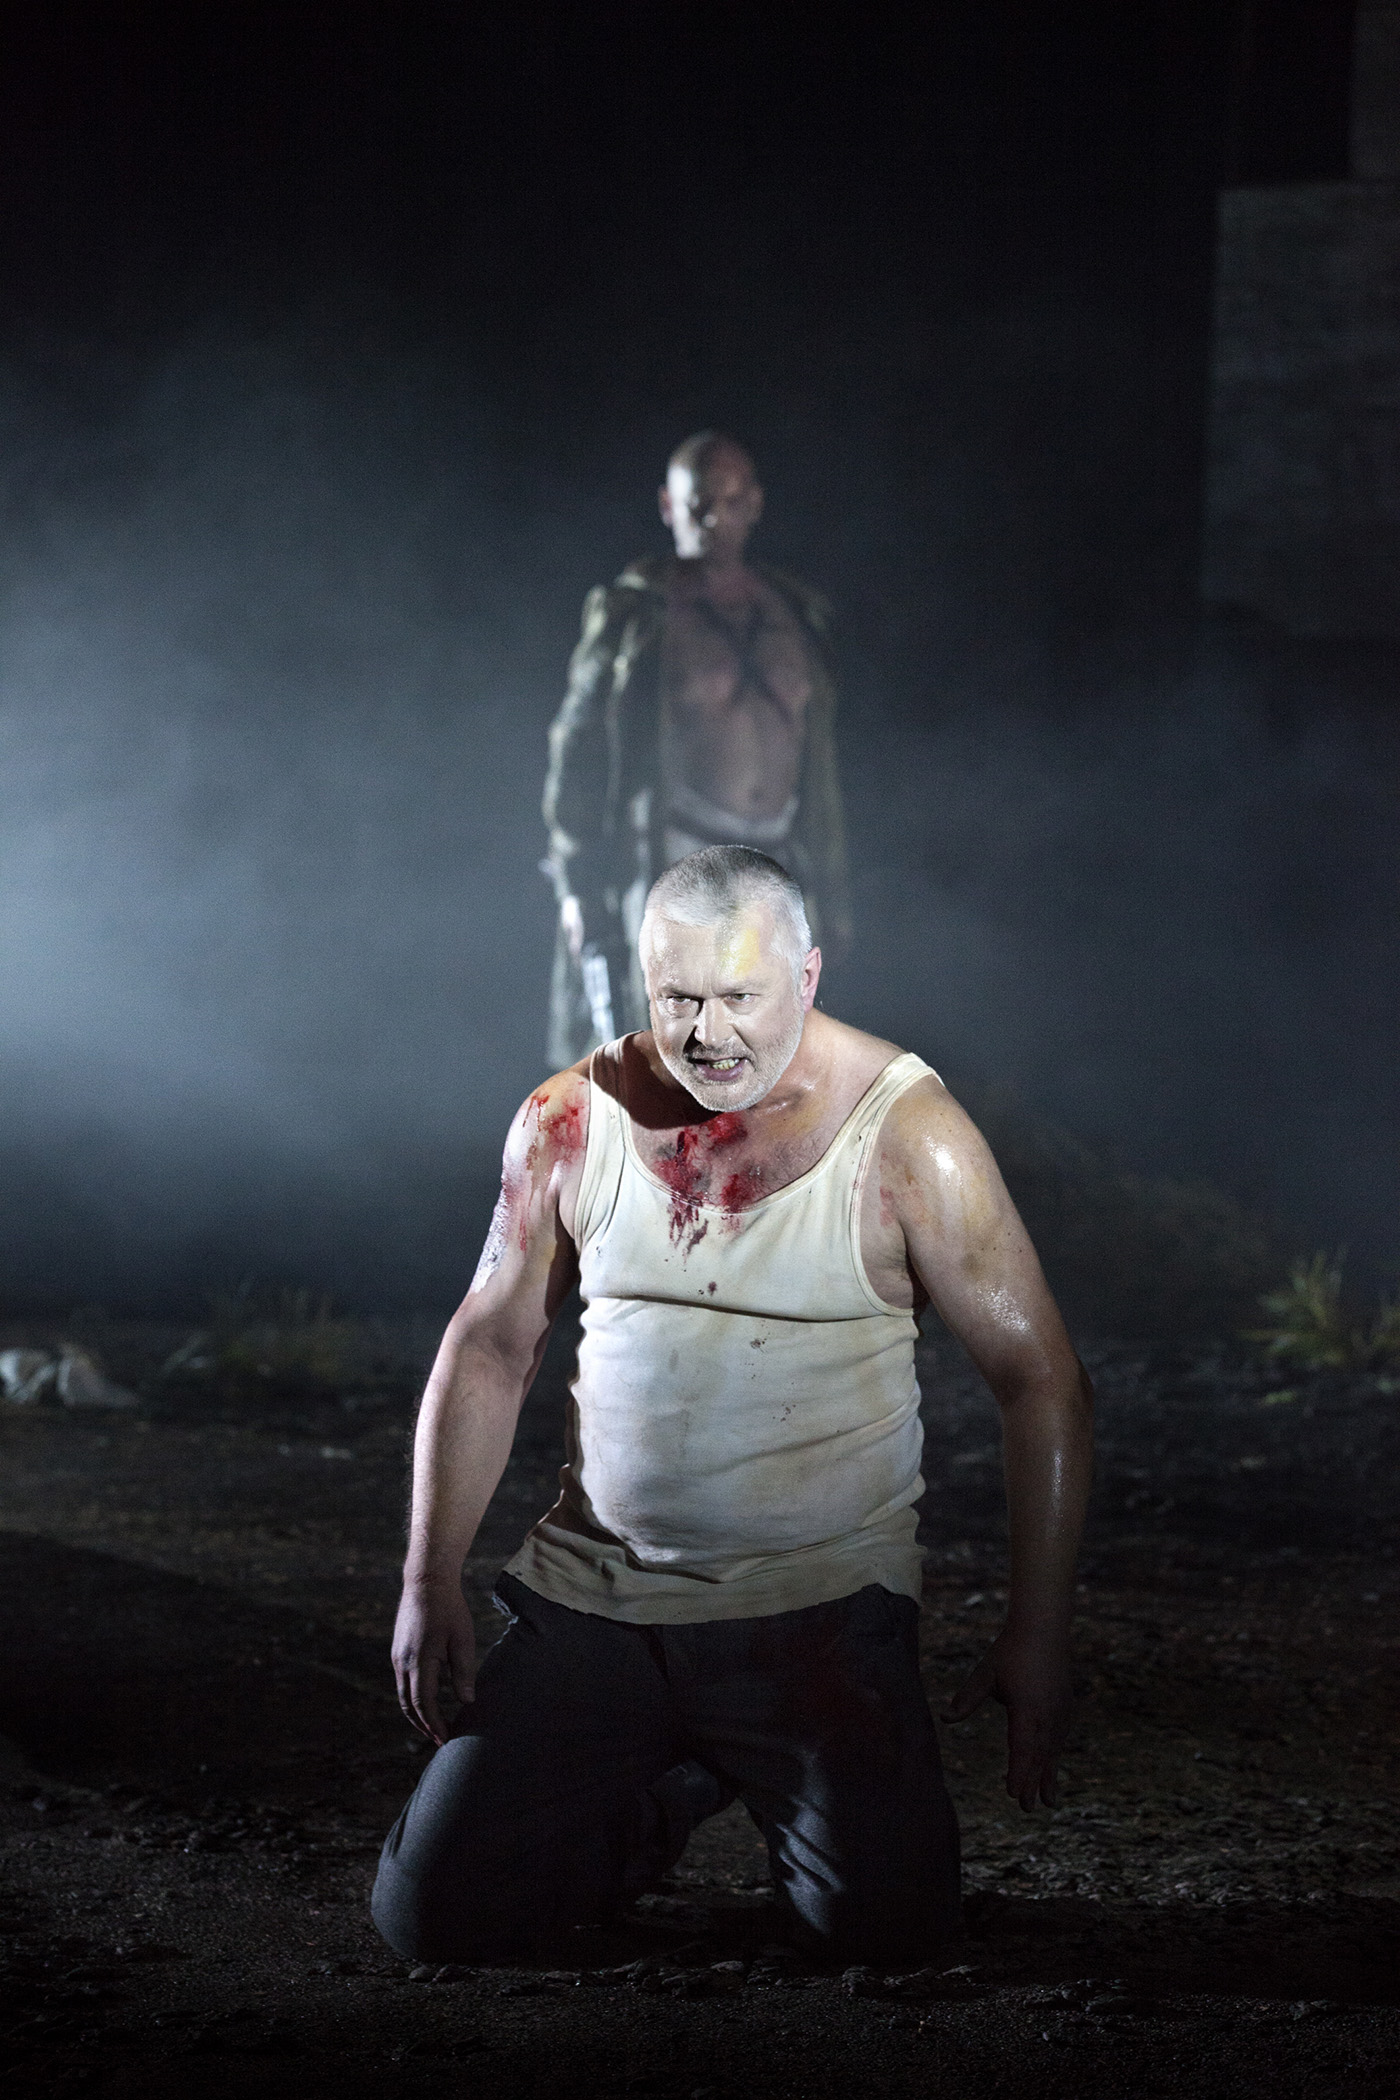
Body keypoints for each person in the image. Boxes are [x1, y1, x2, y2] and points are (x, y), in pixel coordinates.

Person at [373, 845, 1093, 1968]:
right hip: (601, 1598)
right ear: (643, 982)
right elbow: (492, 1344)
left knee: (884, 1943)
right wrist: (429, 1577)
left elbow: (1041, 1382)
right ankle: (658, 1790)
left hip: (817, 1609)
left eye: (740, 997)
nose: (708, 1033)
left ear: (807, 977)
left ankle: (739, 1768)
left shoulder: (909, 1135)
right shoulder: (572, 1118)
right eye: (679, 1000)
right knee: (432, 1920)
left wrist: (1036, 1632)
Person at [542, 431, 853, 1067]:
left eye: (732, 502)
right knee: (664, 1062)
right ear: (669, 506)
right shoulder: (637, 616)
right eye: (699, 505)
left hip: (777, 860)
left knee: (772, 1066)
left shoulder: (797, 615)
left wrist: (831, 888)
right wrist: (578, 884)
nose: (715, 520)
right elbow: (579, 746)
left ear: (755, 504)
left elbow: (818, 763)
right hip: (676, 855)